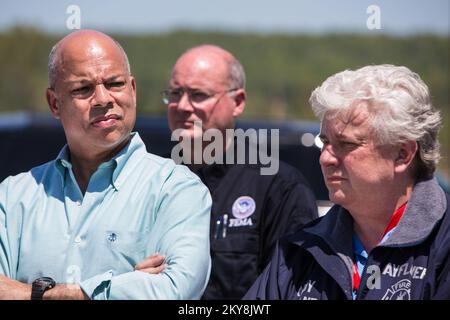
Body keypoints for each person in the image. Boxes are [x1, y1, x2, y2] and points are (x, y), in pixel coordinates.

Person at [0, 30, 212, 300]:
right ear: (55, 103)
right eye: (83, 89)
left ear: (133, 90)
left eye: (114, 84)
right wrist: (125, 286)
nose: (103, 99)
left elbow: (172, 291)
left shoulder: (178, 190)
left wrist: (38, 294)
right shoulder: (13, 196)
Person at [244, 64, 450, 300]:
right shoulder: (300, 249)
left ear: (402, 154)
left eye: (347, 144)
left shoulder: (443, 244)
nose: (325, 158)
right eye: (324, 142)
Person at [162, 45, 318, 299]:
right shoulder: (153, 181)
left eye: (198, 94)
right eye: (175, 93)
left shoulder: (280, 188)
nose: (182, 105)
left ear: (238, 102)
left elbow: (292, 291)